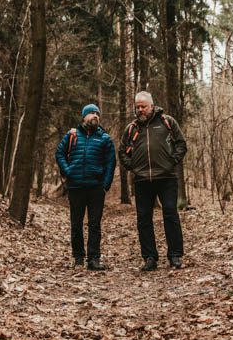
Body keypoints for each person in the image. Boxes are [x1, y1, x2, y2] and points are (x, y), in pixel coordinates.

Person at [119, 91, 187, 271]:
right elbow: (122, 151)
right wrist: (132, 167)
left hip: (166, 178)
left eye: (143, 106)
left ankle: (175, 256)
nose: (140, 110)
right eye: (137, 107)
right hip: (142, 180)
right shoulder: (132, 128)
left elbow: (181, 144)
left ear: (152, 106)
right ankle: (150, 258)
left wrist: (172, 161)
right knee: (144, 219)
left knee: (171, 214)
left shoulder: (167, 122)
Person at [55, 104, 116, 270]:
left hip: (96, 188)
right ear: (84, 117)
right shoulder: (72, 135)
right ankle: (78, 258)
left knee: (94, 224)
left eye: (97, 113)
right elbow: (59, 153)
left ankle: (93, 259)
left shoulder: (105, 138)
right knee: (76, 224)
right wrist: (68, 172)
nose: (95, 115)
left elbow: (111, 163)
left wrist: (105, 185)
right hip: (76, 187)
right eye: (91, 113)